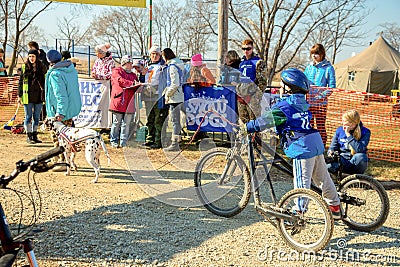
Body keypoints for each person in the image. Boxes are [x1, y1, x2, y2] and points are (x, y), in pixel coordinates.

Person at [242, 68, 341, 219]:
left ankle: (299, 212)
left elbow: (265, 121)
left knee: (302, 181)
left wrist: (248, 127)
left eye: (282, 85)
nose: (280, 88)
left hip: (301, 146)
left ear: (288, 88)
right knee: (323, 179)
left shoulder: (284, 107)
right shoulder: (303, 103)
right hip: (315, 142)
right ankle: (335, 206)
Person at [45, 49, 82, 171]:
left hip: (59, 111)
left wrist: (60, 112)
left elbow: (60, 95)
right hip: (70, 109)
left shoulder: (56, 74)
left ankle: (62, 162)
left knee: (58, 137)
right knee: (66, 137)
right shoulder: (70, 70)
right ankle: (61, 160)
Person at [304, 43, 336, 145]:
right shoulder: (309, 67)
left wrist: (320, 97)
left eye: (316, 53)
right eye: (312, 53)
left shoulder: (328, 68)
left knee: (320, 125)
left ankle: (322, 146)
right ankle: (310, 144)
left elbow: (331, 87)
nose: (314, 56)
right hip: (308, 102)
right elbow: (303, 81)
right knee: (308, 124)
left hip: (320, 104)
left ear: (322, 54)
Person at [109, 55, 140, 148]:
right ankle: (113, 141)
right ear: (124, 63)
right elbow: (120, 81)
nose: (131, 65)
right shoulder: (116, 71)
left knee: (126, 124)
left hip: (129, 103)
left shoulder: (134, 75)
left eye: (131, 63)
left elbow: (137, 87)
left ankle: (123, 142)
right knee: (116, 122)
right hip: (118, 101)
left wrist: (139, 86)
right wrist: (132, 84)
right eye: (129, 63)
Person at [327, 110, 370, 175]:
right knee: (328, 166)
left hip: (356, 161)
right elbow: (332, 148)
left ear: (353, 123)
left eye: (345, 121)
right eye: (343, 121)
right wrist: (331, 153)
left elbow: (359, 149)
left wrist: (348, 134)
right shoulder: (339, 130)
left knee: (361, 157)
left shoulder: (365, 132)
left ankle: (357, 177)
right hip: (342, 160)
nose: (343, 123)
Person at [18, 49, 47, 144]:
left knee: (37, 117)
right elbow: (21, 82)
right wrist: (20, 95)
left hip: (38, 95)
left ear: (36, 57)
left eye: (33, 56)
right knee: (28, 116)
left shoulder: (41, 67)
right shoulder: (24, 67)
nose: (31, 58)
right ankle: (29, 135)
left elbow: (45, 81)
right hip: (28, 96)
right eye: (30, 56)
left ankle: (35, 135)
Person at [142, 45, 168, 149]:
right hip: (148, 95)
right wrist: (142, 74)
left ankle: (159, 141)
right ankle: (150, 139)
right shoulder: (147, 65)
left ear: (160, 55)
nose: (154, 56)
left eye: (156, 54)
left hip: (159, 95)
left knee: (159, 119)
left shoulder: (163, 66)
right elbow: (143, 79)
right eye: (152, 54)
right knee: (150, 118)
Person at [161, 48, 185, 151]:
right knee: (177, 120)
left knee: (175, 120)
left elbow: (174, 83)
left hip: (175, 96)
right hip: (181, 95)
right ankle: (178, 141)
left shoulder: (172, 66)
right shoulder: (180, 64)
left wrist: (168, 93)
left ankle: (175, 144)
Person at [237, 39, 263, 123]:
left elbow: (262, 82)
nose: (246, 51)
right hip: (241, 97)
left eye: (248, 49)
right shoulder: (241, 62)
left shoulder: (258, 62)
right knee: (243, 123)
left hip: (252, 97)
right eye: (243, 49)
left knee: (254, 123)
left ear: (252, 48)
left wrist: (255, 97)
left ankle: (256, 136)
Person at [91, 43, 115, 128]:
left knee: (106, 106)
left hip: (107, 87)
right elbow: (94, 70)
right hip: (98, 87)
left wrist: (100, 76)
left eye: (97, 52)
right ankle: (100, 124)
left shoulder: (111, 62)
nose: (96, 54)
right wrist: (93, 74)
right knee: (99, 105)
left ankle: (107, 125)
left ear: (102, 53)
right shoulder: (97, 61)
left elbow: (111, 74)